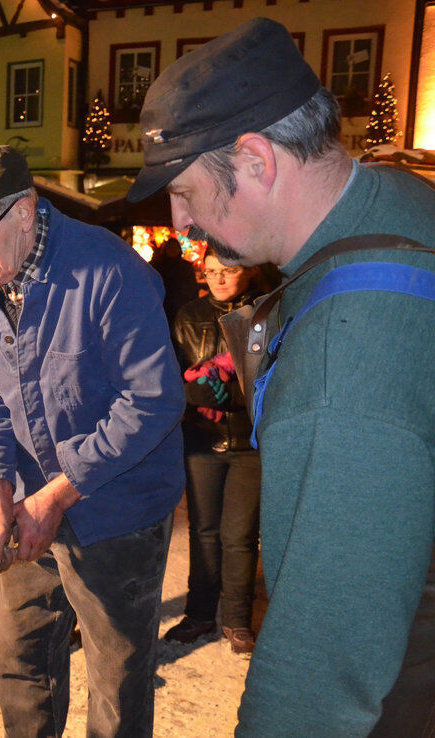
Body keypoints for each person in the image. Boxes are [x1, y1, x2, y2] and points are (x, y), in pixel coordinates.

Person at [129, 17, 435, 736]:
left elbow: (321, 666)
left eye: (184, 192)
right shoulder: (399, 203)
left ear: (257, 161)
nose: (181, 222)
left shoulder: (340, 364)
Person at [0, 144, 185, 737]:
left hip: (120, 505)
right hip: (30, 498)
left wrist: (58, 496)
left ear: (23, 210)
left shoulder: (111, 272)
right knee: (21, 660)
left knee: (116, 678)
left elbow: (154, 400)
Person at [165, 252, 263, 655]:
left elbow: (276, 371)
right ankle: (201, 613)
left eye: (230, 270)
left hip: (249, 444)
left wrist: (240, 398)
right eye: (212, 272)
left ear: (249, 270)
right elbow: (169, 369)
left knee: (239, 536)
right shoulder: (188, 315)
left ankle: (238, 620)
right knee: (204, 532)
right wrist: (192, 391)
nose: (220, 279)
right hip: (202, 440)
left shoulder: (265, 312)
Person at [150, 236, 199, 325]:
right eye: (170, 247)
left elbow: (192, 288)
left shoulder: (186, 267)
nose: (172, 250)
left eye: (175, 247)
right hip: (160, 307)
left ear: (179, 250)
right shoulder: (157, 266)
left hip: (180, 307)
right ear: (165, 249)